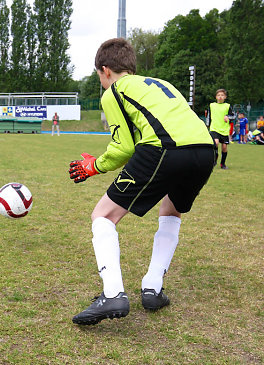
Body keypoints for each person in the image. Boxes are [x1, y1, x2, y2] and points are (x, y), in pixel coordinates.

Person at [68, 38, 215, 325]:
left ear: (105, 70)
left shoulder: (114, 91)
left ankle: (112, 294)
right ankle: (152, 288)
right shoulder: (161, 83)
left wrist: (93, 166)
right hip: (204, 149)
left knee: (103, 215)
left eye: (99, 76)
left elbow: (125, 148)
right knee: (171, 211)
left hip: (166, 148)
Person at [208, 89, 234, 169]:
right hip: (214, 128)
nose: (220, 97)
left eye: (222, 95)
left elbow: (233, 116)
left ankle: (222, 164)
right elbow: (208, 117)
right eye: (218, 95)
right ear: (216, 97)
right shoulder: (212, 105)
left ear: (225, 97)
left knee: (224, 147)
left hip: (224, 130)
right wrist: (207, 125)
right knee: (215, 143)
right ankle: (214, 160)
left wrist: (228, 117)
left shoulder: (228, 106)